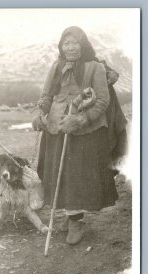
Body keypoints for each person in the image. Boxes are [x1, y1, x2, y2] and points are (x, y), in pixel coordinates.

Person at [32, 26, 120, 245]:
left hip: (85, 132)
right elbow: (46, 96)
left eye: (75, 43)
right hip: (56, 128)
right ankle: (70, 215)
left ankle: (76, 221)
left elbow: (102, 101)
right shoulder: (56, 67)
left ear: (83, 45)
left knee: (77, 176)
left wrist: (80, 119)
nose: (70, 48)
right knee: (57, 173)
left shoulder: (95, 68)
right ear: (61, 46)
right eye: (66, 44)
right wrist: (39, 112)